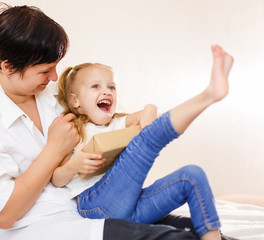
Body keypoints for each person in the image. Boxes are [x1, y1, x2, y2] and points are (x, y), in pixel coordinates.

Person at [0, 3, 219, 240]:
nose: (55, 77)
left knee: (193, 229)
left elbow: (109, 123)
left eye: (55, 66)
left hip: (85, 206)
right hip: (41, 228)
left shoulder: (53, 100)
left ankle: (205, 98)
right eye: (45, 70)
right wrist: (53, 150)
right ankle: (207, 96)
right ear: (8, 67)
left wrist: (138, 118)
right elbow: (5, 215)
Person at [51, 45, 234, 240]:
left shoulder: (118, 122)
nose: (107, 91)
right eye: (96, 86)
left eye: (111, 87)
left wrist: (148, 114)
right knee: (147, 141)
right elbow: (56, 179)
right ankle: (209, 94)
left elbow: (150, 111)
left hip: (130, 209)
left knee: (192, 176)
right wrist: (74, 165)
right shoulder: (74, 130)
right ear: (76, 101)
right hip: (95, 206)